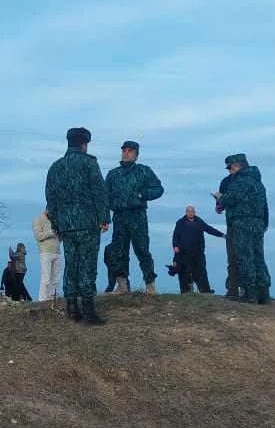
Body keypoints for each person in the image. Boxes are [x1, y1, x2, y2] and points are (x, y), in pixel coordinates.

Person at [45, 127, 110, 325]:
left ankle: (72, 307)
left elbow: (51, 198)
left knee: (71, 265)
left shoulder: (56, 167)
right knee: (88, 266)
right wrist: (104, 218)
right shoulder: (89, 163)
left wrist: (57, 224)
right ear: (84, 144)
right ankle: (89, 311)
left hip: (66, 226)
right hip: (88, 224)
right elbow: (100, 192)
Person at [103, 140, 165, 295]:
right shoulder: (113, 174)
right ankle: (122, 285)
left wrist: (143, 194)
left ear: (136, 155)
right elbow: (104, 196)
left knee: (142, 251)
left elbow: (159, 189)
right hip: (119, 217)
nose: (126, 153)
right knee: (119, 252)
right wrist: (106, 215)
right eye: (124, 150)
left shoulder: (144, 171)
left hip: (138, 217)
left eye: (130, 151)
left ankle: (150, 285)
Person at [213, 154, 271, 304]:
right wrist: (264, 224)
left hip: (242, 223)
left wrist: (220, 197)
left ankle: (249, 293)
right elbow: (265, 207)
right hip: (258, 224)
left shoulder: (241, 181)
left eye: (230, 168)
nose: (229, 172)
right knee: (258, 257)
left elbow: (230, 199)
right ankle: (263, 293)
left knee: (244, 257)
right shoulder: (258, 183)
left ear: (236, 166)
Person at [170, 205, 225, 294]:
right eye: (189, 211)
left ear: (194, 212)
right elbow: (175, 236)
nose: (190, 213)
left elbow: (209, 229)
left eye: (192, 211)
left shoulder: (199, 221)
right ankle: (186, 292)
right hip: (183, 252)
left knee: (201, 272)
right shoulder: (180, 222)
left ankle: (205, 291)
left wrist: (222, 235)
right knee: (184, 273)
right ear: (186, 212)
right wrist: (175, 246)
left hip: (198, 252)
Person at [215, 172, 239, 297]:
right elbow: (219, 208)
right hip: (234, 225)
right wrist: (219, 204)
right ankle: (234, 290)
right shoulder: (225, 181)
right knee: (234, 258)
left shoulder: (230, 182)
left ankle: (236, 290)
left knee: (236, 258)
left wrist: (219, 201)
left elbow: (219, 207)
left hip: (237, 225)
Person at [32, 208, 63, 302]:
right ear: (47, 209)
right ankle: (43, 299)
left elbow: (60, 238)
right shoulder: (38, 219)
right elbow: (38, 236)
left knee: (56, 277)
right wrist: (51, 232)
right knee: (46, 277)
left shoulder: (56, 220)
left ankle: (54, 297)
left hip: (57, 251)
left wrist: (60, 234)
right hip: (45, 252)